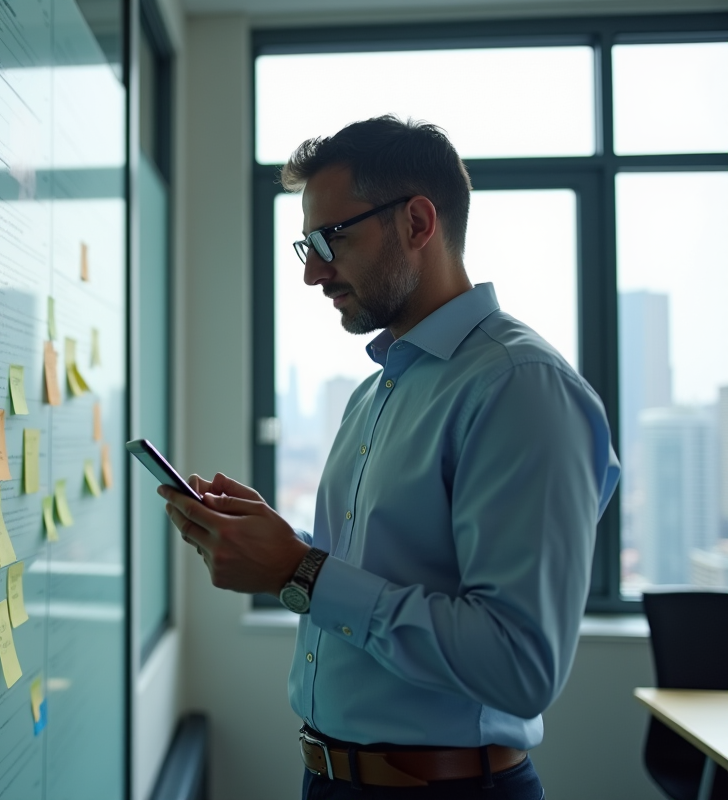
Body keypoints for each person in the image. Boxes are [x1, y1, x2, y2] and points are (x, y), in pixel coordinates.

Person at [158, 116, 620, 799]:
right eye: (306, 245)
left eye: (332, 238)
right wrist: (285, 548)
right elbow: (381, 572)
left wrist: (300, 571)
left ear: (417, 222)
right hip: (332, 779)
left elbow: (520, 665)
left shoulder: (520, 387)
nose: (313, 272)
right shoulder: (376, 392)